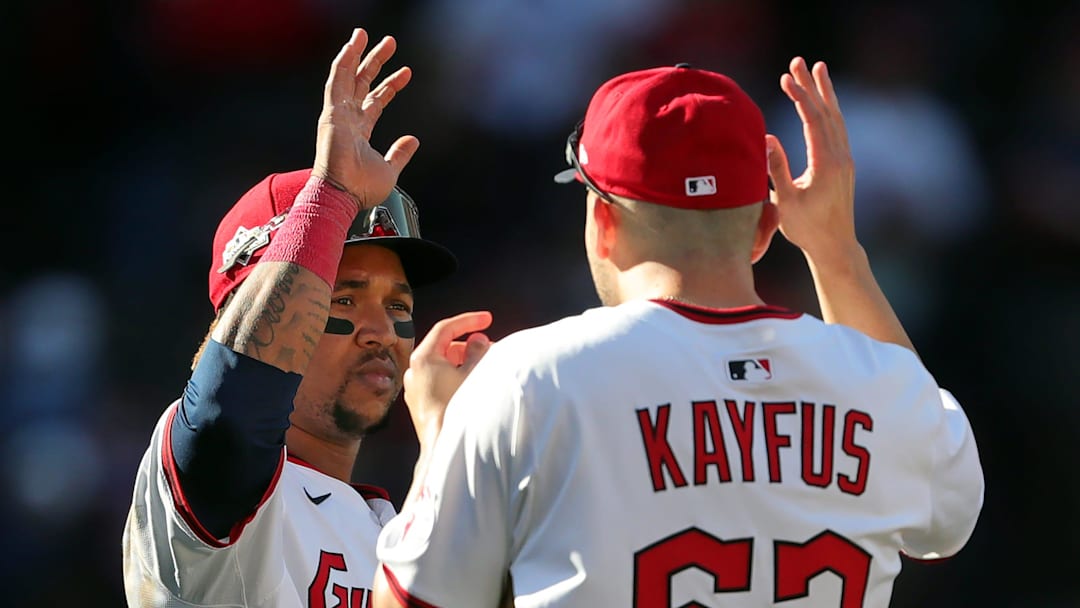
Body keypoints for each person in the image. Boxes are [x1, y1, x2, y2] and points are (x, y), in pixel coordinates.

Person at [370, 57, 985, 607]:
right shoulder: (884, 385)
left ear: (603, 220)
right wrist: (836, 253)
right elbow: (946, 520)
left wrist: (441, 438)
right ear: (767, 228)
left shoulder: (527, 377)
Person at [121, 28, 493, 607]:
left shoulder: (390, 526)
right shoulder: (213, 492)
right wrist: (332, 196)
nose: (383, 333)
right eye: (342, 301)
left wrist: (453, 451)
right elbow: (233, 411)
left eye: (399, 306)